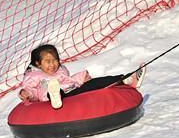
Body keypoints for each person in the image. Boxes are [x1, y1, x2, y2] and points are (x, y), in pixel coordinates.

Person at [18, 44, 146, 109]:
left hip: (72, 91)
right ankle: (55, 96)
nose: (52, 64)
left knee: (95, 83)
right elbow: (32, 91)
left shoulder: (61, 71)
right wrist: (26, 93)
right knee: (53, 91)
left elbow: (70, 81)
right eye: (47, 61)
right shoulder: (34, 76)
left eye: (55, 60)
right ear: (38, 64)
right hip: (51, 97)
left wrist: (82, 78)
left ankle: (127, 79)